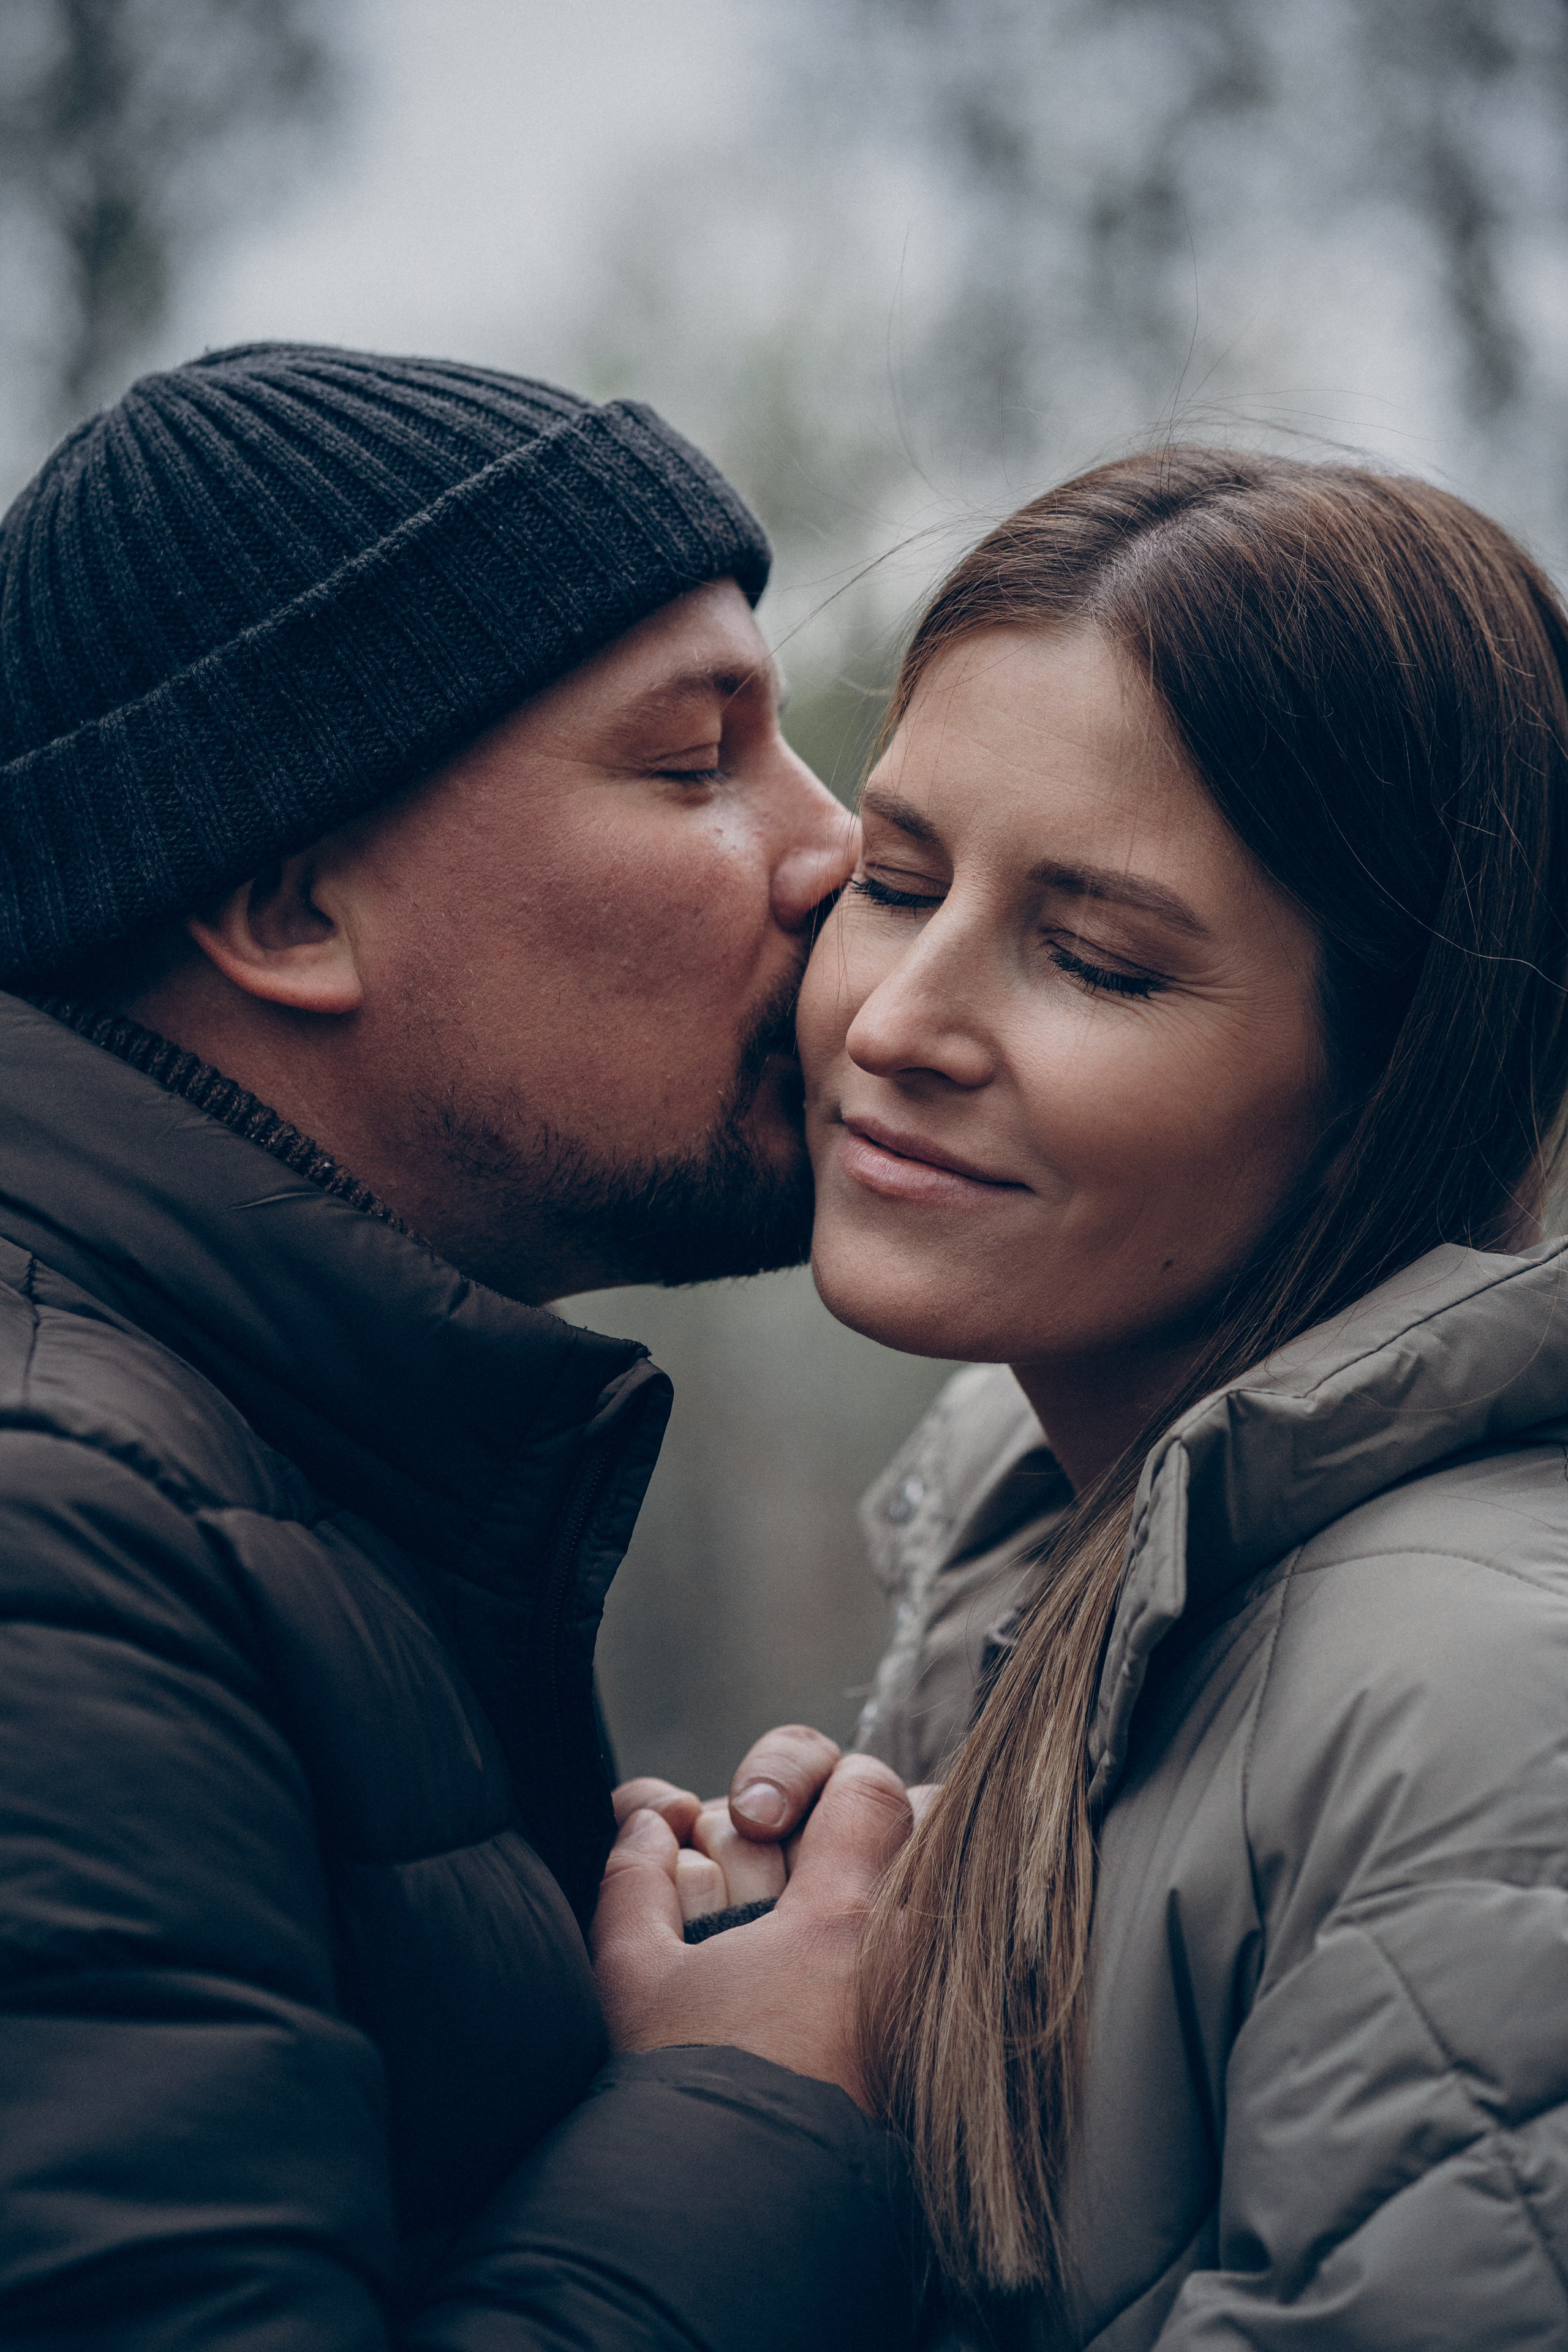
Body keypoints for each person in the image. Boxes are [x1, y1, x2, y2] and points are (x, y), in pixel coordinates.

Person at [0, 342, 918, 2350]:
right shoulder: (56, 1545)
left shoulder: (264, 1464)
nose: (835, 851)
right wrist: (750, 2112)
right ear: (291, 909)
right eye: (694, 765)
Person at [777, 446, 1568, 2346]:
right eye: (895, 881)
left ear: (1396, 1074)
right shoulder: (1049, 1546)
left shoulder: (1472, 1710)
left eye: (1098, 962)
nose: (895, 1022)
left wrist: (748, 2150)